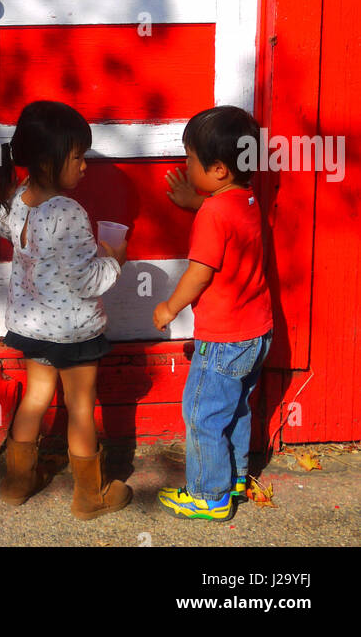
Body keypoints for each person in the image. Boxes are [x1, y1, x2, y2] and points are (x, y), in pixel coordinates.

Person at [0, 99, 132, 520]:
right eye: (77, 157)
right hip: (73, 332)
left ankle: (18, 482)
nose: (84, 165)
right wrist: (115, 260)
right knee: (82, 407)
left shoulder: (19, 197)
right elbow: (85, 281)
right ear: (48, 160)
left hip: (33, 326)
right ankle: (91, 495)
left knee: (35, 398)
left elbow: (4, 227)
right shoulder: (68, 212)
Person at [153, 105, 274, 520]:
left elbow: (199, 274)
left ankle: (209, 496)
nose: (185, 166)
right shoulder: (248, 200)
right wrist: (197, 201)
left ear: (219, 169)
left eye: (189, 159)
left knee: (202, 413)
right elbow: (228, 229)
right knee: (236, 407)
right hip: (257, 332)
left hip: (223, 339)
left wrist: (169, 307)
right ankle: (236, 477)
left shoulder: (212, 214)